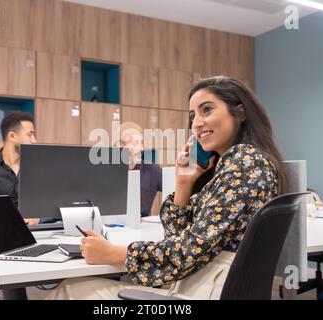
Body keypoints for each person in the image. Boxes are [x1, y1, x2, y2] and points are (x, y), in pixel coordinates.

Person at [45, 76, 288, 300]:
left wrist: (114, 254)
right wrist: (184, 183)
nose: (197, 123)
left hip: (204, 293)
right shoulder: (232, 166)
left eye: (207, 109)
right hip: (197, 287)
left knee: (70, 290)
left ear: (240, 112)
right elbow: (179, 240)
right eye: (193, 115)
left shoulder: (244, 161)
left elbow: (189, 251)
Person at [115, 122, 162, 217]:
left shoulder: (153, 170)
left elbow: (176, 193)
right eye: (136, 143)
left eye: (141, 142)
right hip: (110, 227)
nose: (142, 148)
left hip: (142, 228)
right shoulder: (105, 172)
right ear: (120, 145)